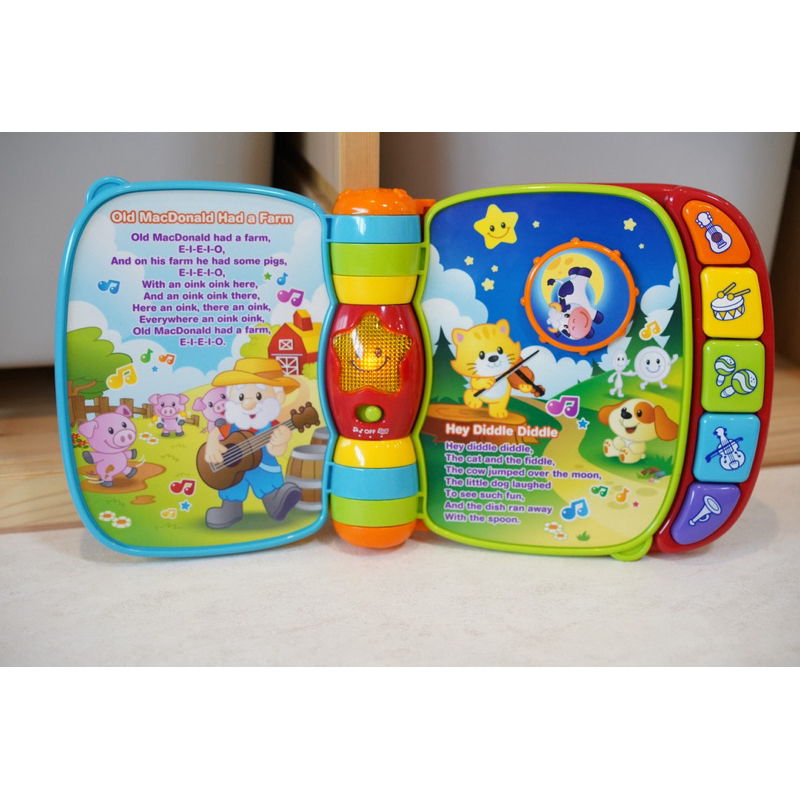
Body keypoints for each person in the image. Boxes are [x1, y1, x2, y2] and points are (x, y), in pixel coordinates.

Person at [203, 358, 302, 529]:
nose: (248, 404)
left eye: (258, 396)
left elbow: (276, 450)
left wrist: (280, 442)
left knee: (268, 484)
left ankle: (276, 503)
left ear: (278, 396)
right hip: (232, 469)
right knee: (232, 487)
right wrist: (212, 443)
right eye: (241, 397)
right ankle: (230, 510)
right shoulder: (232, 424)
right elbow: (217, 432)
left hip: (263, 468)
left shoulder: (273, 426)